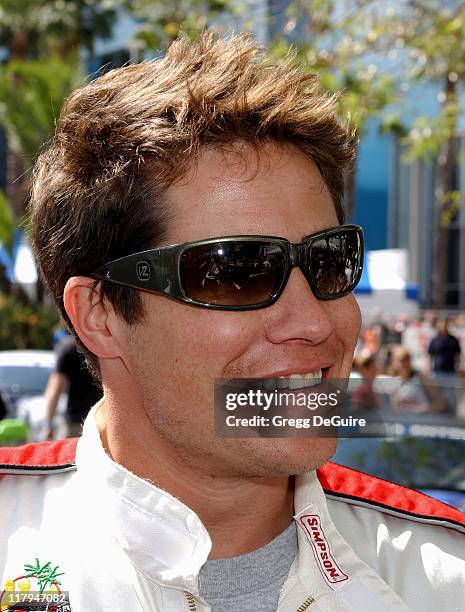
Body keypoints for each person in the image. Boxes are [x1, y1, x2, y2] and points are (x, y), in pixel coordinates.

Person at [0, 34, 464, 612]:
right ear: (101, 315)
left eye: (328, 261)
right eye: (236, 271)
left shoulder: (440, 577)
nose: (313, 322)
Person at [42, 334, 103, 439]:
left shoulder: (68, 347)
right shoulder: (104, 345)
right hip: (103, 420)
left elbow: (55, 388)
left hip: (76, 423)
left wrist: (48, 423)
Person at [388, 345, 446, 414]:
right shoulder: (392, 381)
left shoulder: (422, 377)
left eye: (406, 359)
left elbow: (440, 404)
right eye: (399, 360)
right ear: (393, 362)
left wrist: (420, 410)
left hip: (422, 422)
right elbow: (392, 408)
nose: (402, 364)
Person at [428, 317, 462, 412]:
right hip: (438, 371)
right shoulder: (434, 340)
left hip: (450, 371)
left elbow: (458, 355)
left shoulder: (453, 339)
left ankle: (451, 411)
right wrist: (429, 369)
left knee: (450, 393)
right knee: (438, 393)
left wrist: (458, 367)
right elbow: (430, 355)